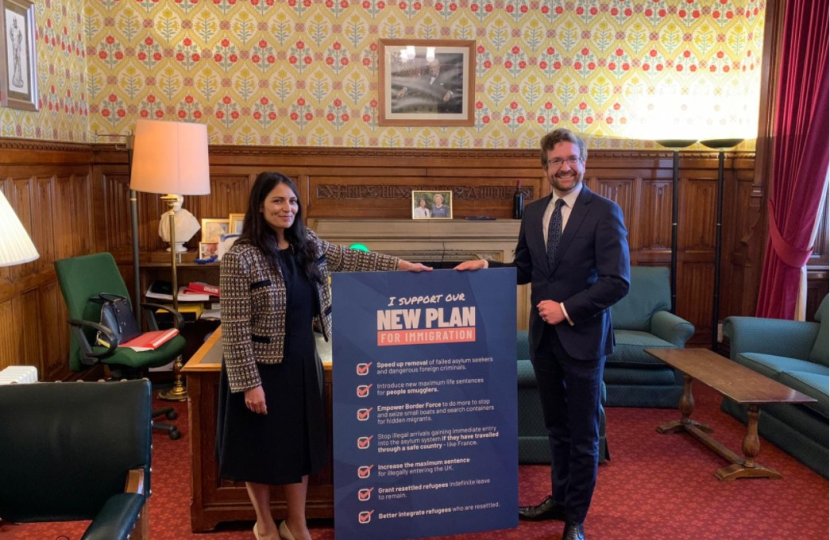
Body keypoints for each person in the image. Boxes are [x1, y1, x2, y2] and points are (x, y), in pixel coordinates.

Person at [217, 172, 431, 540]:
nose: (288, 208)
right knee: (259, 449)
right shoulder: (240, 257)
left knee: (299, 447)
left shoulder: (307, 243)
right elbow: (234, 329)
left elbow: (349, 257)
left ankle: (296, 523)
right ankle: (265, 524)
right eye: (278, 201)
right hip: (260, 369)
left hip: (302, 362)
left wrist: (402, 266)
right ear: (259, 206)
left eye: (293, 201)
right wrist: (249, 384)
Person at [456, 129, 630, 540]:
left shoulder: (604, 212)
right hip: (544, 341)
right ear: (545, 167)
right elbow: (525, 270)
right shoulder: (534, 213)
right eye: (556, 161)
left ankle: (576, 518)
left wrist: (567, 310)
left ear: (583, 163)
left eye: (571, 159)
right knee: (556, 427)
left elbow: (617, 282)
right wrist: (487, 268)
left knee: (584, 432)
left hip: (584, 339)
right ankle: (559, 498)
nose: (565, 167)